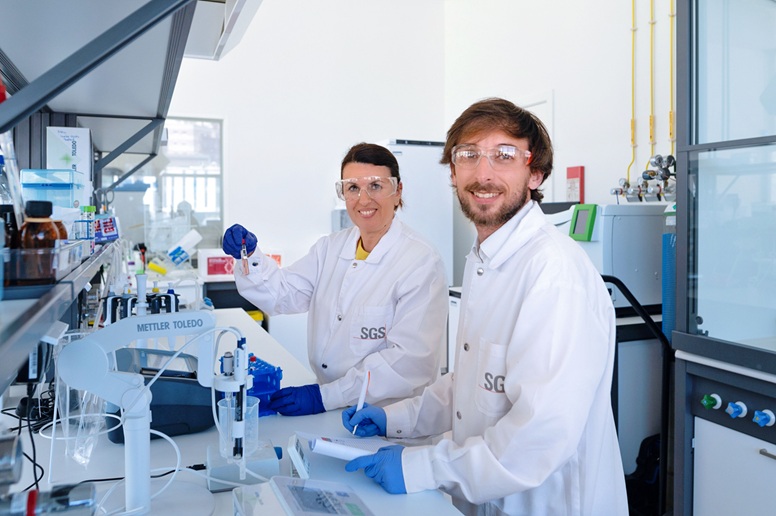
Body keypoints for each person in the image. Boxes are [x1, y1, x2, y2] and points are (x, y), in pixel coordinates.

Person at [342, 98, 629, 515]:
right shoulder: (485, 259)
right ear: (452, 173)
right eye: (468, 155)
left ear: (535, 173)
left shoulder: (553, 273)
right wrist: (396, 418)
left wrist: (421, 468)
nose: (483, 173)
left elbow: (538, 436)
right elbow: (473, 383)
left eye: (504, 155)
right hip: (486, 499)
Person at [222, 142, 448, 417]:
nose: (363, 200)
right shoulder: (329, 248)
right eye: (352, 188)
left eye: (376, 186)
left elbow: (409, 363)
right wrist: (249, 255)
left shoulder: (420, 262)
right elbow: (281, 294)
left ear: (398, 191)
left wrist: (326, 396)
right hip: (332, 408)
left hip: (390, 417)